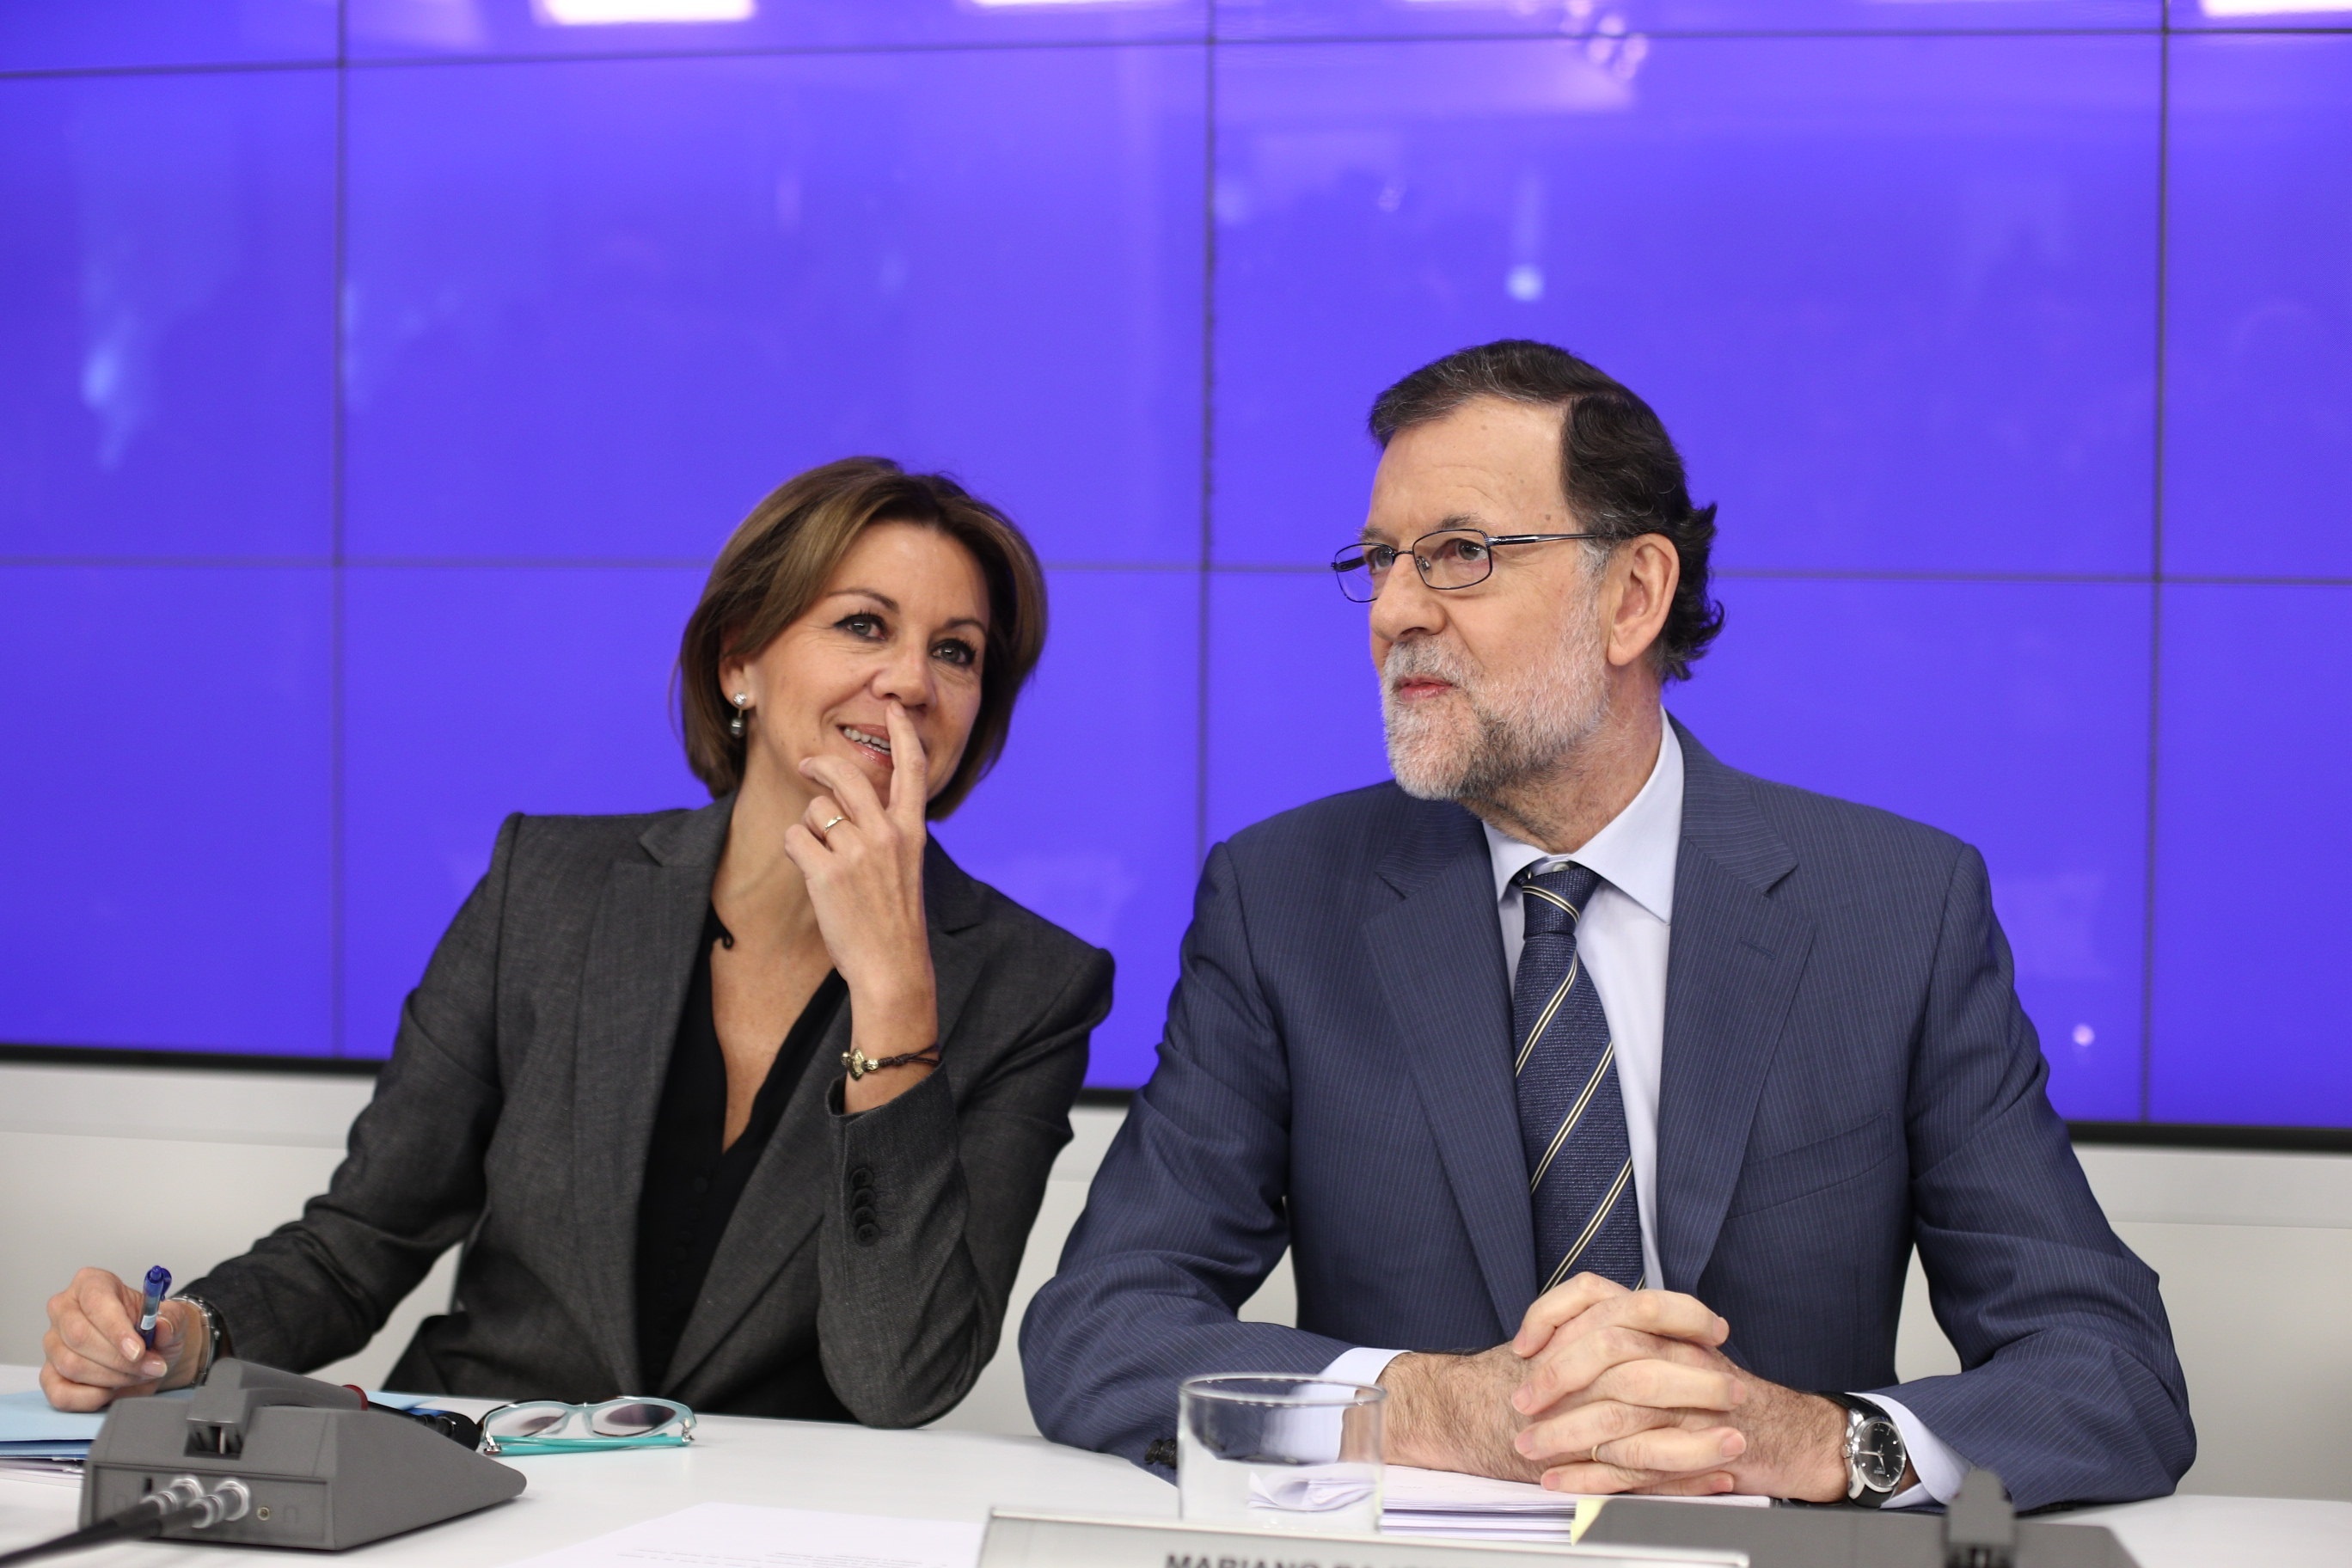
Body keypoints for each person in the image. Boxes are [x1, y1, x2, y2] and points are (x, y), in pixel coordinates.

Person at [1022, 341, 2191, 1512]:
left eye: (1461, 554)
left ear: (1633, 595)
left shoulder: (1896, 910)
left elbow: (2112, 1374)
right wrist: (1433, 1409)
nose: (1394, 612)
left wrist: (1818, 1442)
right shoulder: (1283, 901)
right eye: (1380, 559)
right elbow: (1102, 1327)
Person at [44, 457, 1111, 1426]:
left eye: (956, 652)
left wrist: (893, 991)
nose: (912, 681)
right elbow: (361, 1241)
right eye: (865, 625)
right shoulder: (547, 888)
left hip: (770, 1523)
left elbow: (899, 1377)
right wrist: (185, 1339)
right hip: (484, 1484)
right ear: (739, 660)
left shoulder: (1032, 987)